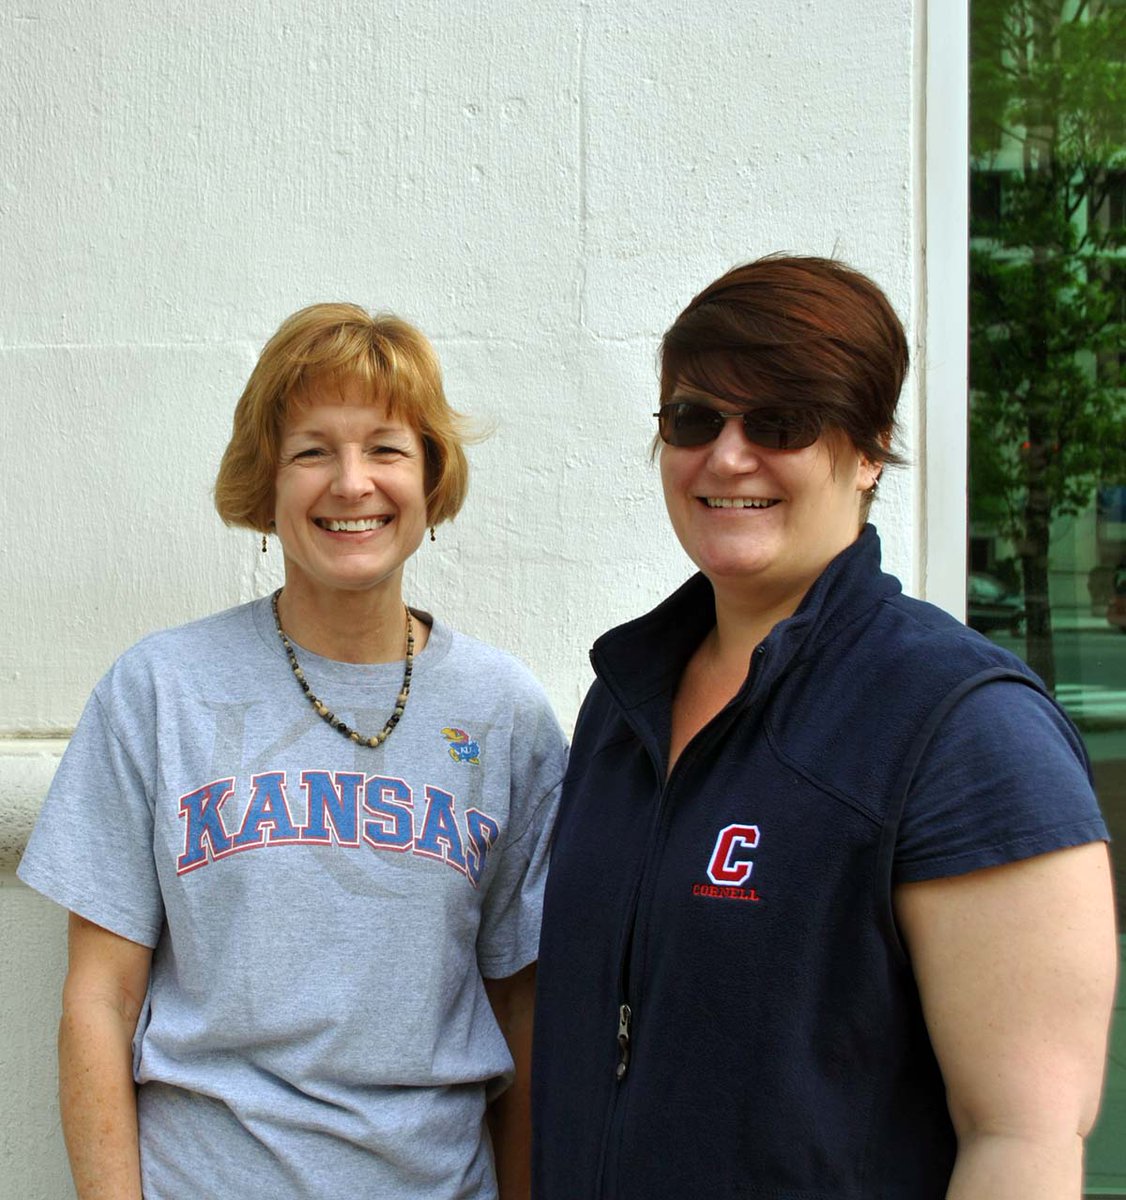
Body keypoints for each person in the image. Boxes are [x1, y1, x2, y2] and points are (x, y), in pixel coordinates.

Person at [532, 256, 1117, 1199]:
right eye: (693, 420)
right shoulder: (623, 702)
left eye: (781, 423)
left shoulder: (965, 729)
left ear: (871, 447)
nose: (727, 457)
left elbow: (1023, 1137)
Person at [18, 303, 566, 1199]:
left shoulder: (505, 714)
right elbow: (99, 1001)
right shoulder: (161, 691)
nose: (352, 484)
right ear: (266, 483)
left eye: (387, 448)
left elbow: (524, 1009)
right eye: (313, 450)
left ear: (431, 479)